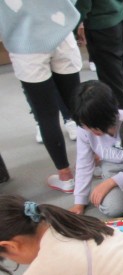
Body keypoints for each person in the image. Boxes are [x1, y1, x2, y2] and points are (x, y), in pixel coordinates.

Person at [0, 0, 81, 193]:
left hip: (25, 42)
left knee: (46, 115)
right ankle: (95, 161)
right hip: (62, 33)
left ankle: (66, 177)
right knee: (78, 106)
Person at [69, 81, 123, 218]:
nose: (91, 131)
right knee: (112, 208)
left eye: (95, 126)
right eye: (85, 126)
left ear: (109, 115)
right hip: (112, 168)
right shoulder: (84, 127)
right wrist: (79, 202)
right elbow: (84, 163)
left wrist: (112, 182)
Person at [76, 0, 123, 113]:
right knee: (120, 78)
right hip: (119, 18)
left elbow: (83, 5)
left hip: (102, 26)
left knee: (114, 84)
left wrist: (72, 29)